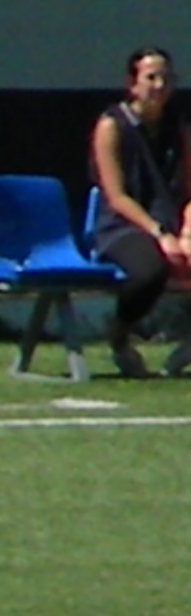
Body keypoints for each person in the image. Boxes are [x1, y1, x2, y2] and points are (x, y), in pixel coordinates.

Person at [88, 46, 191, 377]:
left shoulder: (179, 128)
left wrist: (185, 229)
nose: (159, 86)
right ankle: (119, 333)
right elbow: (117, 197)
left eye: (167, 78)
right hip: (122, 226)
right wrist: (160, 234)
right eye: (151, 77)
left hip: (171, 221)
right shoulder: (112, 126)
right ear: (132, 84)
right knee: (150, 270)